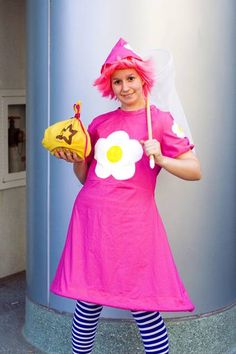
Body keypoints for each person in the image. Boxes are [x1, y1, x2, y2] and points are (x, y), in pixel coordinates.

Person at [51, 38, 201, 354]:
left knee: (142, 303)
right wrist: (77, 158)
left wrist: (161, 158)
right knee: (87, 301)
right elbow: (86, 178)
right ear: (109, 86)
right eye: (116, 81)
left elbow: (194, 170)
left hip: (134, 225)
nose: (124, 87)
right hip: (91, 222)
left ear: (143, 79)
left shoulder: (160, 120)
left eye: (130, 78)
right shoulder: (99, 124)